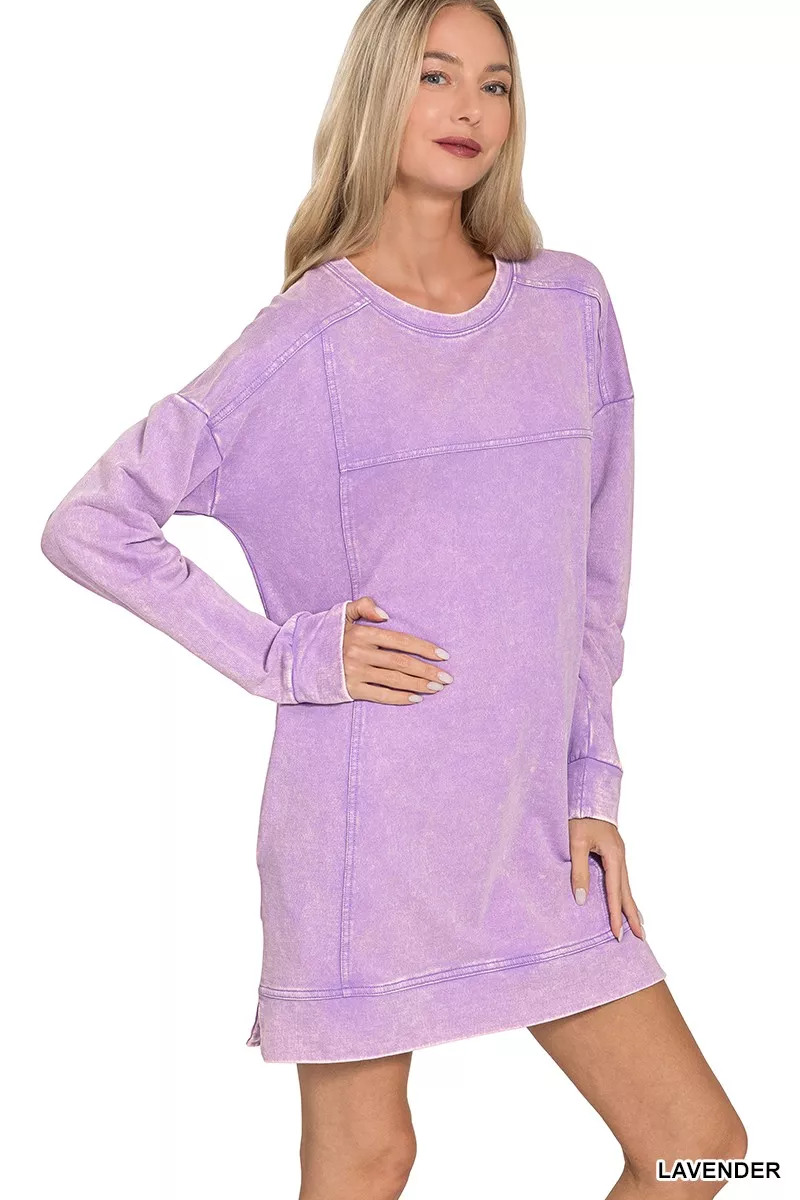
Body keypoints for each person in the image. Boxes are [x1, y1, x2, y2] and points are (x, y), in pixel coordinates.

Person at [40, 1, 747, 1196]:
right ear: (378, 92)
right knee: (370, 1158)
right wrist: (286, 656)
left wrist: (591, 783)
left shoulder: (569, 307)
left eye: (494, 83)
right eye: (435, 75)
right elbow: (91, 524)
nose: (469, 107)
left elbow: (596, 578)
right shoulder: (305, 335)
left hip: (535, 827)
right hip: (365, 827)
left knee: (699, 1148)